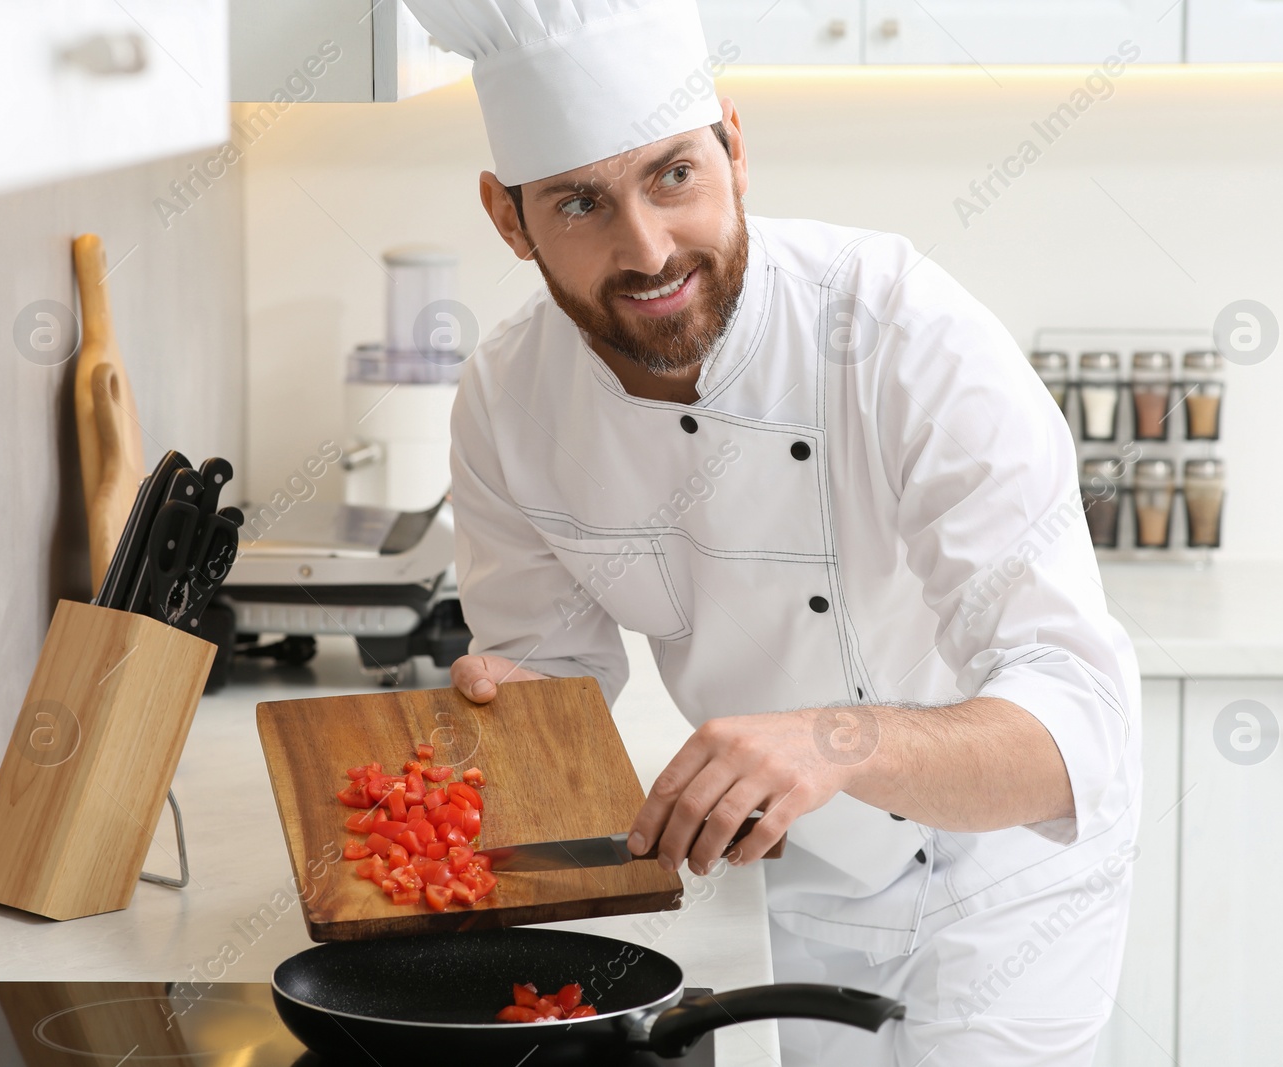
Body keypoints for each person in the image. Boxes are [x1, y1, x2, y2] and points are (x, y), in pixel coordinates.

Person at [401, 0, 1143, 1060]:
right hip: (789, 868)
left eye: (673, 176)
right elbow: (552, 674)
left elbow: (1078, 731)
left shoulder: (902, 333)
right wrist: (517, 710)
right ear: (508, 219)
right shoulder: (508, 401)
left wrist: (832, 737)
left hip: (1009, 874)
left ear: (733, 150)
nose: (647, 248)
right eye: (579, 203)